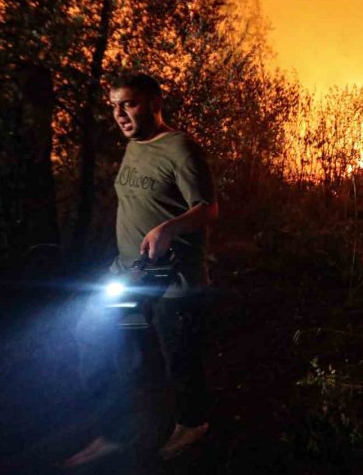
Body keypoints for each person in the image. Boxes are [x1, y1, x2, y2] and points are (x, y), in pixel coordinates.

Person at [64, 72, 218, 467]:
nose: (120, 114)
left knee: (179, 359)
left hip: (174, 282)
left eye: (128, 104)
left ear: (153, 103)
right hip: (128, 277)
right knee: (95, 338)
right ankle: (114, 433)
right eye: (114, 106)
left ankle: (192, 426)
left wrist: (168, 228)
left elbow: (208, 208)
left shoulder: (180, 148)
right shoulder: (134, 147)